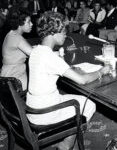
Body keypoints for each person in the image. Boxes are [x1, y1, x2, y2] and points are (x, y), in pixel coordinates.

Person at [26, 11, 110, 150]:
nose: (66, 34)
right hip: (45, 112)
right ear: (53, 32)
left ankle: (67, 141)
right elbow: (82, 80)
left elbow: (53, 65)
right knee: (89, 105)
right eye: (63, 30)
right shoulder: (50, 57)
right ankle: (66, 145)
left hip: (33, 106)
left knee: (79, 101)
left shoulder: (37, 50)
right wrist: (101, 71)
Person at [0, 10, 33, 90]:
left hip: (8, 75)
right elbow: (35, 55)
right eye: (29, 22)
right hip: (15, 81)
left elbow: (24, 49)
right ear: (19, 25)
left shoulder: (11, 34)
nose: (32, 24)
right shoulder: (17, 38)